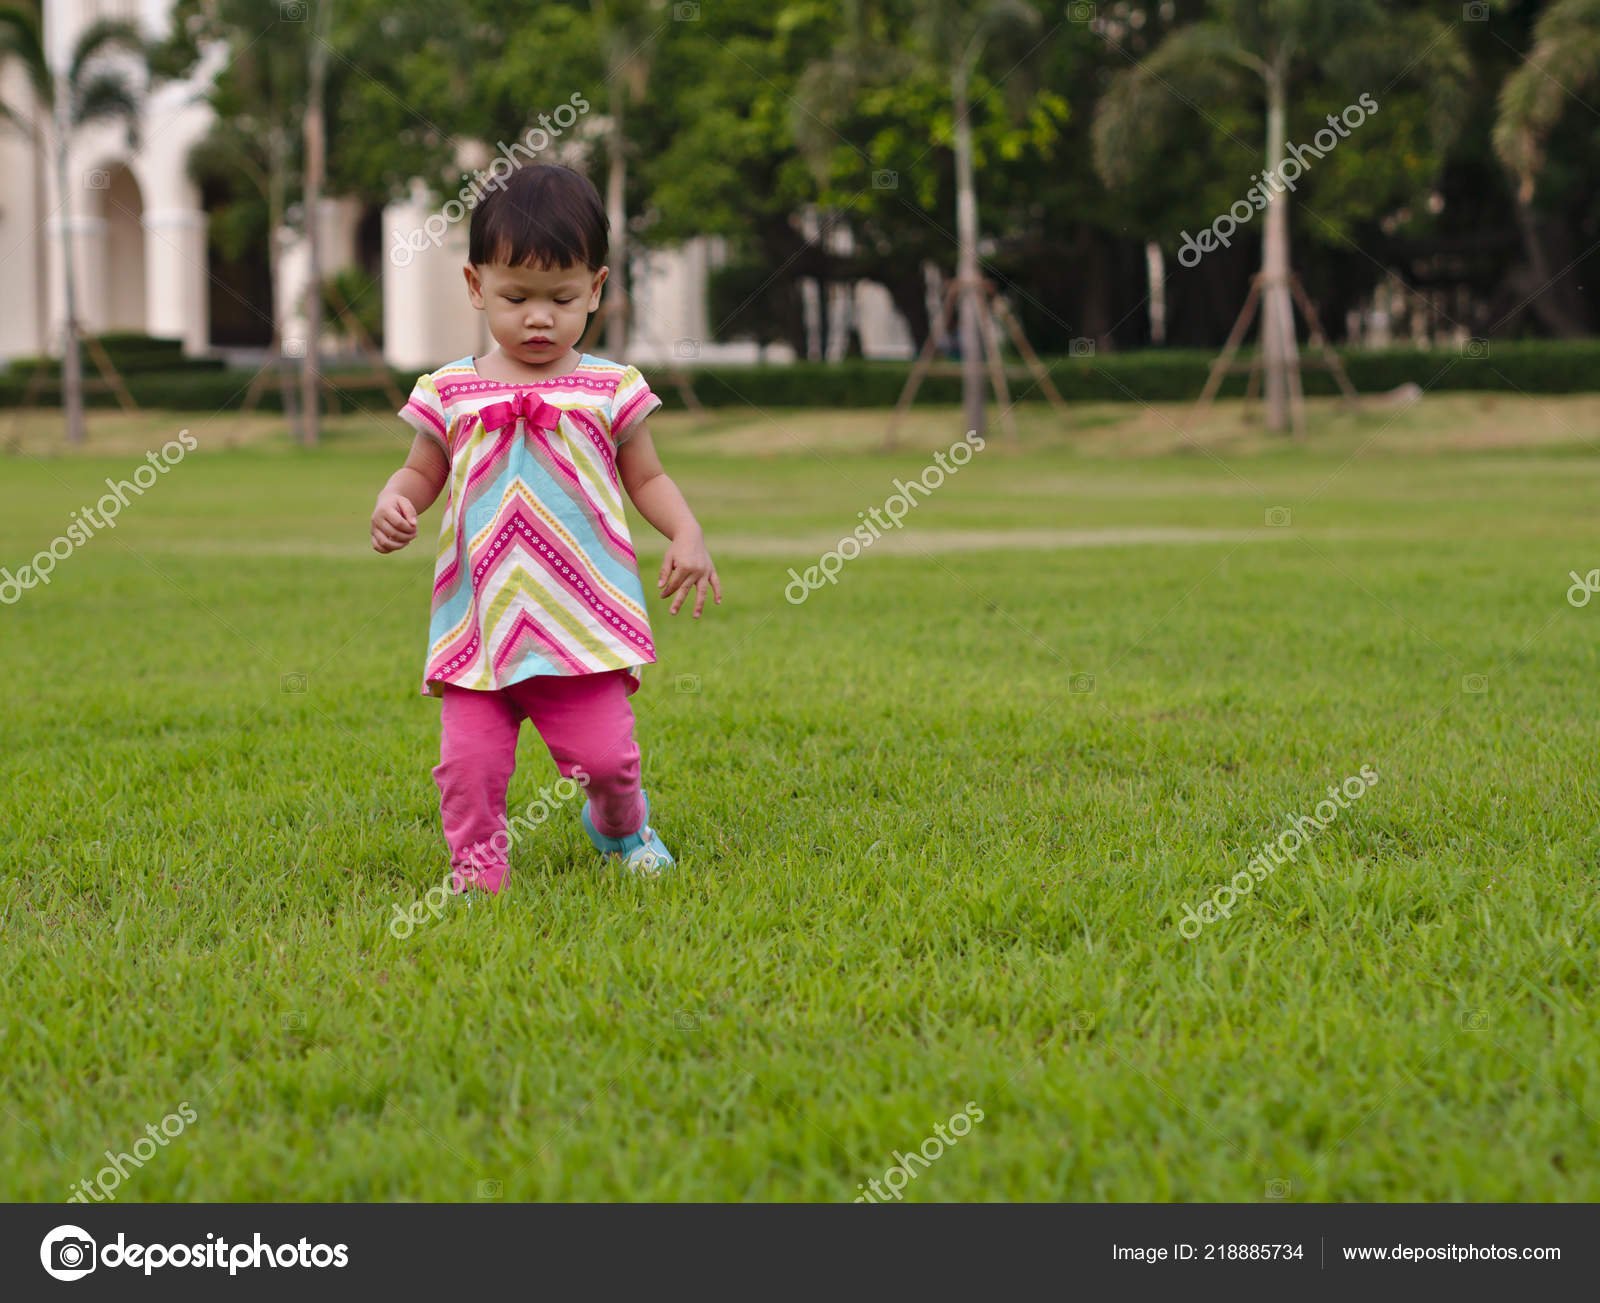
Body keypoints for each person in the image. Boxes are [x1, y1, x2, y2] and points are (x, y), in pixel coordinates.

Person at [370, 163, 720, 895]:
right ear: (475, 286)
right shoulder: (450, 391)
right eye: (515, 297)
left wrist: (685, 532)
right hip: (480, 622)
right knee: (469, 767)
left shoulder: (609, 387)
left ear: (595, 288)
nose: (539, 317)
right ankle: (477, 870)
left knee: (610, 759)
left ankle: (621, 827)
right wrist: (395, 500)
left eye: (562, 298)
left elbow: (647, 477)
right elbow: (421, 472)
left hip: (581, 621)